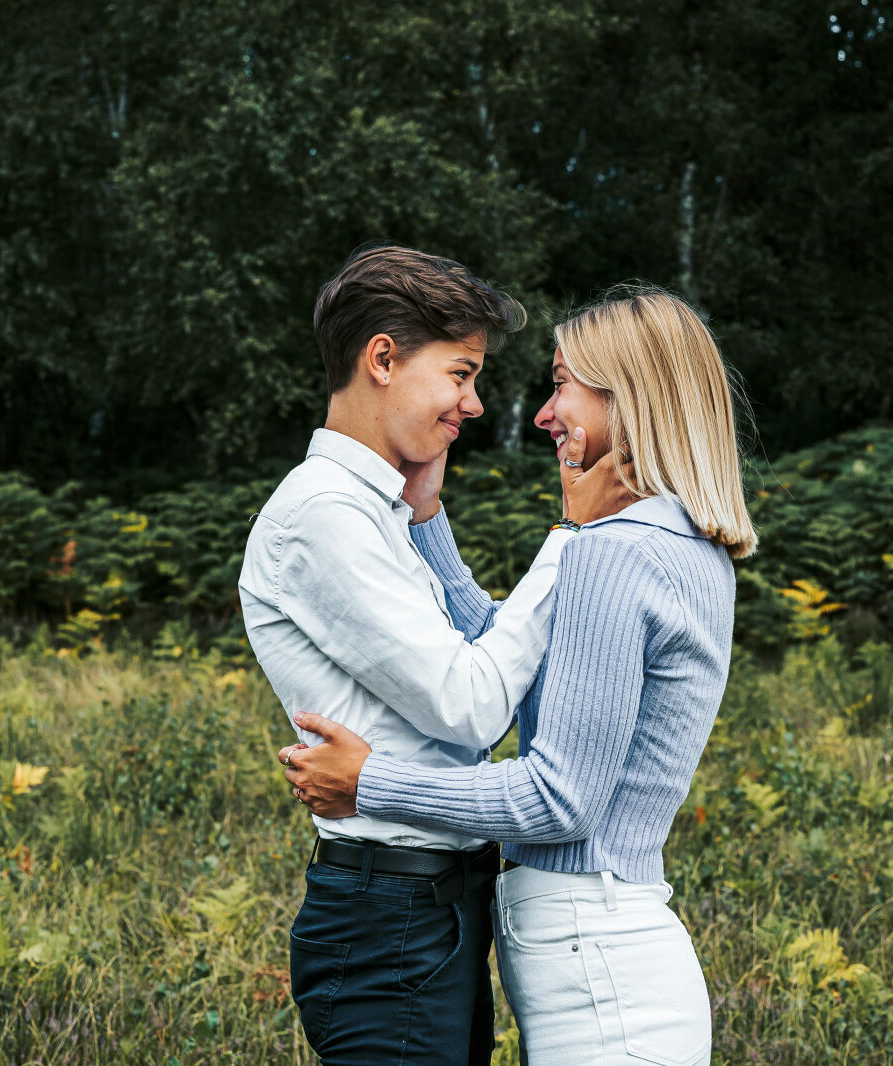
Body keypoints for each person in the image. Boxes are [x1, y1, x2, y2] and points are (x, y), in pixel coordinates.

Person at [280, 289, 758, 1066]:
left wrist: (371, 783)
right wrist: (429, 523)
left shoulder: (614, 553)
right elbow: (528, 662)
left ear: (627, 396)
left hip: (596, 965)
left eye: (563, 383)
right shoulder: (677, 540)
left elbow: (558, 799)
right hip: (610, 953)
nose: (543, 413)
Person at [238, 244, 635, 1066]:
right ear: (381, 358)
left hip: (433, 899)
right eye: (460, 374)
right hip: (389, 911)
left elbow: (474, 677)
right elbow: (473, 706)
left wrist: (428, 520)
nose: (475, 404)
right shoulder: (324, 515)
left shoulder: (382, 510)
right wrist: (572, 538)